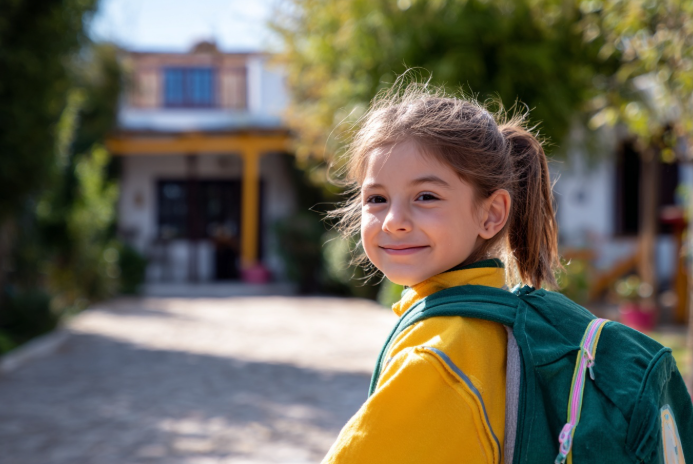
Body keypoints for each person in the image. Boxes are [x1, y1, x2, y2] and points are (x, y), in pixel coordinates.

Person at [322, 81, 561, 464]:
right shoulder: (493, 321)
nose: (394, 221)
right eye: (377, 199)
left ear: (491, 213)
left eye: (426, 196)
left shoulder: (435, 355)